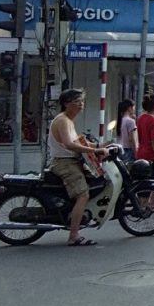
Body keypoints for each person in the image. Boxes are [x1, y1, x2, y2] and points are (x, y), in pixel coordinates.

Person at [48, 88, 108, 246]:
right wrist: (95, 150)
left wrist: (103, 145)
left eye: (82, 101)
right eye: (77, 101)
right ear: (67, 103)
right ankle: (73, 236)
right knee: (83, 194)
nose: (81, 104)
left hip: (73, 162)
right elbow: (69, 145)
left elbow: (80, 143)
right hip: (64, 163)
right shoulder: (62, 120)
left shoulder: (69, 120)